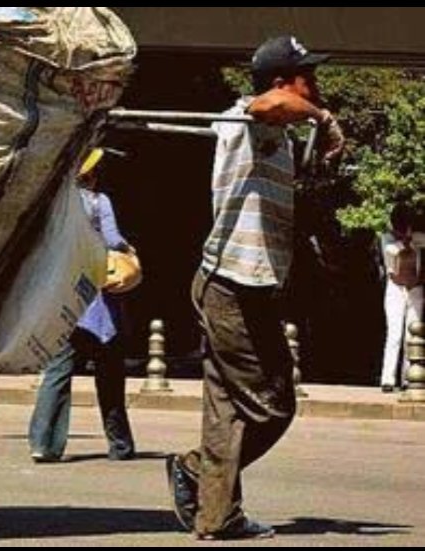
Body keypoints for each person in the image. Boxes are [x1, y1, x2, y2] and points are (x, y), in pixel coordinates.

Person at [166, 35, 346, 541]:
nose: (315, 85)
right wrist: (322, 117)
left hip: (246, 286)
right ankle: (196, 468)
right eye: (306, 75)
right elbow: (270, 104)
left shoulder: (279, 139)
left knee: (227, 406)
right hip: (230, 284)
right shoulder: (245, 117)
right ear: (280, 80)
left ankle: (218, 516)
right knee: (272, 404)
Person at [28, 148, 137, 463]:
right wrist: (130, 249)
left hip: (63, 300)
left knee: (57, 371)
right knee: (111, 376)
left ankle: (43, 444)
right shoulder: (98, 202)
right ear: (92, 173)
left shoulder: (58, 205)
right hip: (98, 303)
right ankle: (120, 446)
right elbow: (114, 239)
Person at [379, 204, 425, 393]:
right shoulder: (387, 239)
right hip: (396, 288)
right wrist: (407, 240)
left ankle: (409, 377)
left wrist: (414, 237)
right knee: (394, 334)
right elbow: (396, 253)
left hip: (415, 288)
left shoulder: (419, 238)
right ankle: (387, 379)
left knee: (412, 334)